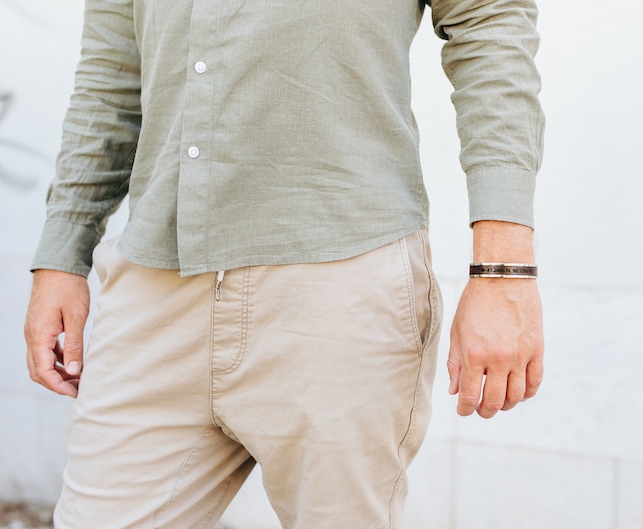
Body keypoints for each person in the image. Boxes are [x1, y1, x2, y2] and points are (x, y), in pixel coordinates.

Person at [24, 0, 545, 527]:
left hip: (340, 291)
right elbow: (111, 70)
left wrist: (503, 272)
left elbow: (489, 23)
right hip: (156, 290)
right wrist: (61, 256)